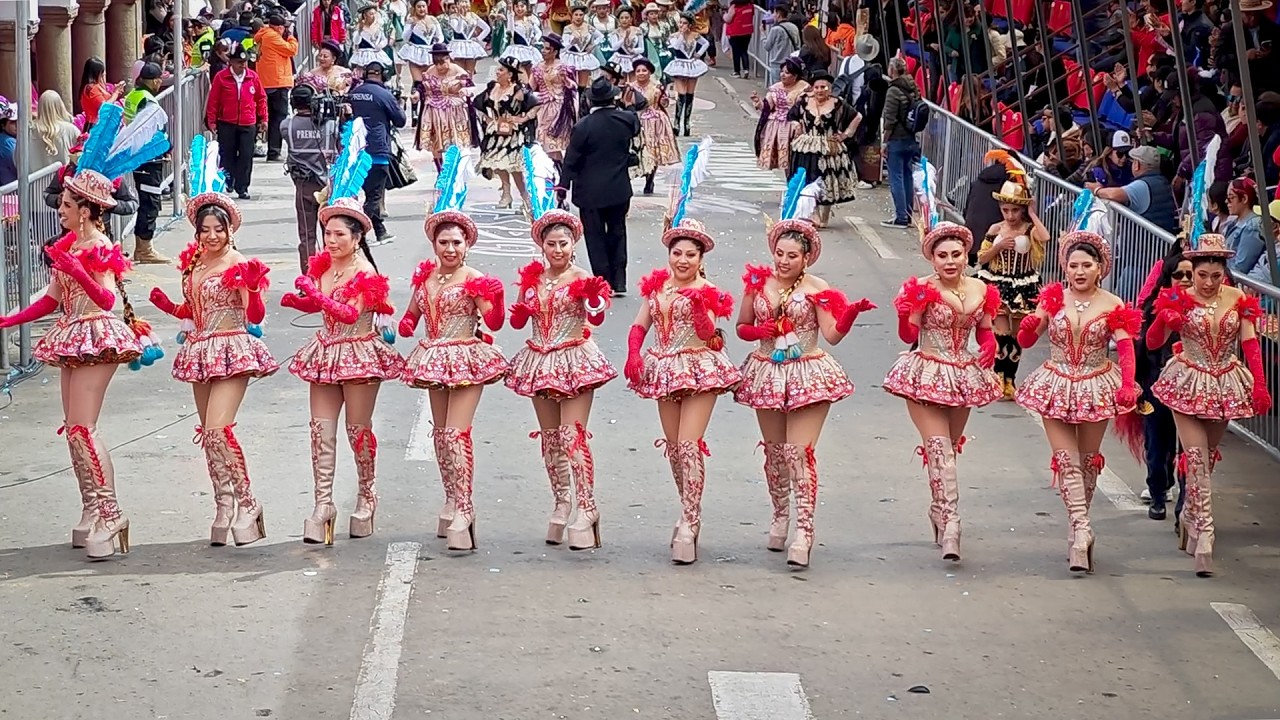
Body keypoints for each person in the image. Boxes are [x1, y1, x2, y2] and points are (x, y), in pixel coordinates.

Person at [0, 103, 167, 560]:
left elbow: (108, 299)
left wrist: (78, 265)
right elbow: (50, 300)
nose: (61, 213)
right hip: (72, 332)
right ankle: (92, 509)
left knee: (83, 429)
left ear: (89, 211)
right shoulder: (70, 246)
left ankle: (111, 515)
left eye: (68, 207)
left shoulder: (101, 246)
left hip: (99, 334)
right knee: (74, 431)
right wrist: (7, 319)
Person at [148, 144, 279, 547]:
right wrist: (166, 306)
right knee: (208, 433)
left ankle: (248, 502)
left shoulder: (237, 264)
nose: (211, 236)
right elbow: (194, 309)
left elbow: (253, 316)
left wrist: (254, 287)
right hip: (200, 348)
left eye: (218, 230)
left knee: (220, 430)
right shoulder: (194, 263)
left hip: (233, 348)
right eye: (204, 230)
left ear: (230, 230)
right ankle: (223, 506)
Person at [733, 192, 873, 567]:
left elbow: (831, 334)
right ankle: (780, 515)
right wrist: (759, 329)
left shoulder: (818, 288)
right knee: (775, 453)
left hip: (808, 371)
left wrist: (850, 314)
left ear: (806, 257)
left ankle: (804, 531)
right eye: (779, 253)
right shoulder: (757, 283)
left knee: (799, 453)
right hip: (766, 369)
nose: (783, 261)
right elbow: (742, 327)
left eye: (792, 256)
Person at [283, 152, 405, 545]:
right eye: (328, 234)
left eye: (340, 235)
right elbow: (315, 302)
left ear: (357, 239)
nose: (332, 241)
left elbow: (350, 315)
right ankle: (323, 505)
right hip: (326, 352)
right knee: (321, 432)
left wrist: (315, 299)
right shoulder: (322, 267)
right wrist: (297, 298)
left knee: (357, 430)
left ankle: (367, 494)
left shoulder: (366, 274)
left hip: (358, 352)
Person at [398, 148, 508, 551]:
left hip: (465, 355)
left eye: (457, 242)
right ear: (434, 244)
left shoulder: (474, 277)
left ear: (467, 244)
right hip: (433, 356)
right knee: (442, 435)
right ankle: (451, 498)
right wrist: (404, 324)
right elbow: (412, 315)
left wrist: (493, 299)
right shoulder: (425, 276)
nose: (450, 249)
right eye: (443, 242)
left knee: (457, 433)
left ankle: (465, 508)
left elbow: (493, 323)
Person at [1146, 232, 1272, 576]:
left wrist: (1259, 385)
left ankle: (1190, 514)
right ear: (1193, 270)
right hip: (1187, 378)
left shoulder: (1238, 299)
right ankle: (1205, 534)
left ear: (1225, 274)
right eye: (1202, 275)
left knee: (1207, 458)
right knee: (1197, 456)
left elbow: (1249, 344)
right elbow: (1153, 341)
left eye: (1216, 276)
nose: (1208, 282)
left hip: (1224, 382)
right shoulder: (1177, 297)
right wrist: (1164, 319)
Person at [1015, 231, 1140, 573]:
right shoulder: (1053, 298)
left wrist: (1128, 384)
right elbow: (1026, 339)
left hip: (1095, 385)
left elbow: (1126, 347)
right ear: (1065, 269)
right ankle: (1082, 531)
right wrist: (1026, 327)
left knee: (1087, 464)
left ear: (1100, 268)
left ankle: (1077, 530)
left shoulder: (1113, 303)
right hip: (1055, 383)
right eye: (1073, 265)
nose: (1079, 271)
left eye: (1087, 265)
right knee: (1065, 461)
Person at [506, 164, 617, 548]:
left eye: (563, 244)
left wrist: (593, 299)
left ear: (573, 245)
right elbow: (519, 321)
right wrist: (520, 313)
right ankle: (561, 500)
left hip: (574, 358)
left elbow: (600, 312)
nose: (557, 250)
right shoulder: (532, 279)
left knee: (572, 437)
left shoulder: (582, 277)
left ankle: (587, 507)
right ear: (542, 246)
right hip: (539, 359)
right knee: (551, 438)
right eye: (551, 244)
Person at [624, 205, 741, 564]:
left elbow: (710, 337)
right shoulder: (657, 286)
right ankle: (688, 506)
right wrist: (634, 353)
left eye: (690, 254)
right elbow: (640, 324)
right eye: (677, 253)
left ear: (701, 257)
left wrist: (698, 310)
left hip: (699, 369)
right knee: (675, 448)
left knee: (689, 445)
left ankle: (690, 520)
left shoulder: (708, 290)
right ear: (669, 254)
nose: (683, 260)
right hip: (664, 369)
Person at [883, 221, 1002, 562]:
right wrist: (910, 309)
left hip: (962, 375)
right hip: (926, 370)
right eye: (942, 256)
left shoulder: (981, 289)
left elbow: (984, 329)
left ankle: (938, 509)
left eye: (956, 254)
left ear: (966, 255)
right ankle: (952, 524)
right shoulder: (921, 287)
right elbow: (908, 335)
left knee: (948, 449)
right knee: (939, 450)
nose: (950, 261)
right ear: (932, 260)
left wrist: (989, 344)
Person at [561, 77, 641, 297]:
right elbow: (637, 117)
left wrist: (562, 185)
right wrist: (629, 104)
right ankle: (620, 280)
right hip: (618, 188)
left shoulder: (583, 126)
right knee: (617, 231)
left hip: (589, 191)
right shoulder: (627, 119)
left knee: (595, 236)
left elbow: (571, 159)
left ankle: (603, 280)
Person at [975, 163, 1047, 399]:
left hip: (1024, 285)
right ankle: (998, 377)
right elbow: (981, 258)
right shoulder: (996, 228)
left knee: (1016, 338)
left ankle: (1010, 380)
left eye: (1015, 210)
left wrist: (1033, 214)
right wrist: (998, 247)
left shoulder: (1029, 229)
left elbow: (1045, 238)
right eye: (1006, 210)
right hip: (998, 282)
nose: (1010, 215)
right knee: (1001, 334)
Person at [786, 71, 859, 228]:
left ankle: (824, 218)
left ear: (830, 89)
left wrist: (845, 135)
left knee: (827, 182)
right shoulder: (804, 102)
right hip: (807, 146)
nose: (820, 90)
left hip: (828, 147)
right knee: (808, 181)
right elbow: (791, 117)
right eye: (817, 87)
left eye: (824, 87)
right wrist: (797, 125)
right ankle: (813, 215)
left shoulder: (838, 103)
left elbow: (857, 117)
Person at [349, 58, 408, 245]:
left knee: (367, 194)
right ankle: (359, 234)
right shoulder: (384, 94)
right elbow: (400, 120)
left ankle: (380, 231)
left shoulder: (354, 93)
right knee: (374, 196)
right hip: (377, 151)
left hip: (356, 152)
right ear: (383, 75)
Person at [282, 84, 340, 274]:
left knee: (306, 236)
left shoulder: (286, 126)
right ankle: (331, 276)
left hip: (303, 185)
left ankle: (308, 280)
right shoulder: (330, 125)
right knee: (330, 235)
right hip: (327, 187)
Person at [124, 62, 173, 264]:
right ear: (152, 80)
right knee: (150, 202)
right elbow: (151, 131)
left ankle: (144, 247)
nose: (160, 82)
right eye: (158, 79)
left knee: (147, 201)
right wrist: (167, 146)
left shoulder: (134, 95)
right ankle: (144, 249)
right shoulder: (146, 101)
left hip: (140, 157)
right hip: (148, 159)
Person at [205, 43, 267, 200]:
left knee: (246, 156)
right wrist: (211, 121)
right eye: (239, 62)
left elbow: (261, 98)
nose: (242, 65)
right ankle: (229, 180)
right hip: (227, 122)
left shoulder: (252, 76)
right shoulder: (221, 77)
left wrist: (263, 118)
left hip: (248, 122)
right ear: (231, 62)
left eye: (244, 62)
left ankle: (243, 186)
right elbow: (214, 101)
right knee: (228, 154)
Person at [475, 57, 538, 208]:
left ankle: (525, 197)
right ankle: (506, 193)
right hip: (496, 132)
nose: (497, 72)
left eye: (501, 70)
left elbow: (535, 105)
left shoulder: (519, 91)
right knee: (497, 163)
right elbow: (477, 104)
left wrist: (522, 119)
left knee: (514, 167)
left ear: (510, 74)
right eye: (498, 69)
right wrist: (487, 119)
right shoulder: (492, 88)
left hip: (513, 134)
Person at [416, 44, 474, 169]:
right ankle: (441, 174)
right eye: (436, 63)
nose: (439, 66)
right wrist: (416, 94)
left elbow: (470, 86)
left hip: (453, 111)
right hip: (433, 111)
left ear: (448, 58)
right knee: (435, 144)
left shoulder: (458, 70)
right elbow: (421, 88)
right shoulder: (429, 71)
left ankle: (455, 171)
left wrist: (465, 91)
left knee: (455, 142)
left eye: (442, 62)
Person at [881, 56, 921, 229]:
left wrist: (884, 142)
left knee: (895, 177)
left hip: (896, 139)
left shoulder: (893, 91)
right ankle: (909, 214)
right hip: (911, 138)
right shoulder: (914, 87)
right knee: (907, 176)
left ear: (892, 70)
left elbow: (889, 119)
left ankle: (901, 217)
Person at [627, 58, 677, 195]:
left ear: (649, 72)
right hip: (635, 121)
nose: (641, 73)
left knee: (652, 151)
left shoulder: (656, 87)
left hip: (654, 123)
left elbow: (664, 104)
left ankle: (650, 180)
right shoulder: (630, 87)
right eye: (638, 71)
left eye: (644, 70)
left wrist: (664, 97)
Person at [750, 58, 808, 177]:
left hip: (795, 126)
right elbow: (767, 106)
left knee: (795, 159)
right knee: (785, 160)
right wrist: (758, 103)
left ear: (795, 75)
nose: (783, 74)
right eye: (782, 71)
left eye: (787, 72)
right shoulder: (775, 88)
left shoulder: (804, 89)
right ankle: (789, 183)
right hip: (776, 127)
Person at [254, 14, 300, 162]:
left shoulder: (263, 35)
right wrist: (291, 36)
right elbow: (291, 50)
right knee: (277, 118)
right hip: (276, 82)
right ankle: (274, 151)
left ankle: (269, 149)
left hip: (267, 82)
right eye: (283, 27)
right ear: (277, 27)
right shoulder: (272, 37)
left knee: (268, 117)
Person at [530, 34, 578, 163]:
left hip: (559, 107)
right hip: (542, 107)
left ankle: (558, 172)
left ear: (555, 51)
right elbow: (531, 87)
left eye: (547, 49)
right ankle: (552, 171)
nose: (543, 51)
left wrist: (565, 79)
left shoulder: (562, 67)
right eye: (543, 48)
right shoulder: (537, 67)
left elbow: (573, 86)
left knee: (554, 143)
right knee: (544, 142)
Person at [665, 12, 710, 136]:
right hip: (679, 64)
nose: (682, 25)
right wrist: (681, 34)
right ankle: (677, 122)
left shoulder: (695, 35)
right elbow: (676, 47)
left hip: (692, 65)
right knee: (682, 94)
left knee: (690, 94)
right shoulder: (674, 36)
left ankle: (687, 122)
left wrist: (699, 54)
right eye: (680, 22)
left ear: (690, 25)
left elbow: (706, 43)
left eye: (685, 23)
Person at [399, 0, 445, 85]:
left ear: (427, 7)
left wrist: (436, 44)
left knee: (430, 82)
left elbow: (440, 36)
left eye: (423, 6)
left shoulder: (433, 19)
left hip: (430, 53)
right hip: (415, 53)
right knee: (418, 83)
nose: (421, 9)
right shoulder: (411, 20)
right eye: (419, 7)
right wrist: (412, 26)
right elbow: (405, 37)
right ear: (415, 8)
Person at [31, 90, 81, 167]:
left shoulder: (29, 130)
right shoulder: (71, 130)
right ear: (60, 106)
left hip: (34, 178)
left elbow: (17, 160)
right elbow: (80, 159)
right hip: (63, 178)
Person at [443, 0, 492, 75]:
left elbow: (487, 28)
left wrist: (478, 38)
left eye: (466, 1)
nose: (464, 4)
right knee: (459, 74)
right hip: (457, 46)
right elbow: (458, 30)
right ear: (457, 4)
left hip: (470, 46)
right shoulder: (453, 17)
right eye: (461, 2)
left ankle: (470, 85)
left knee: (470, 73)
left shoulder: (472, 15)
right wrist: (460, 17)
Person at [78, 57, 118, 131]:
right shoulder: (92, 88)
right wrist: (116, 93)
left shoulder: (95, 86)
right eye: (101, 73)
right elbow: (104, 106)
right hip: (95, 125)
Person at [500, 0, 543, 65]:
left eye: (522, 6)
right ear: (513, 8)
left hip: (530, 50)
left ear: (526, 7)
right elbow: (510, 31)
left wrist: (535, 39)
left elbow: (539, 32)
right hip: (516, 50)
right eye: (517, 6)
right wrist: (510, 15)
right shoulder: (513, 21)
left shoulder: (530, 20)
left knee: (531, 69)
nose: (519, 9)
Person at [350, 4, 392, 70]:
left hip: (376, 54)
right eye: (371, 14)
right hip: (363, 55)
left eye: (375, 14)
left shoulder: (378, 27)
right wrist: (359, 31)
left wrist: (381, 45)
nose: (374, 16)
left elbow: (384, 40)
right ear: (365, 15)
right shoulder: (360, 28)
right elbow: (356, 41)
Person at [723, 0, 754, 79]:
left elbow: (728, 19)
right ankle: (746, 69)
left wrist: (724, 15)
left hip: (735, 31)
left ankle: (737, 71)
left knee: (736, 53)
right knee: (744, 51)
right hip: (747, 31)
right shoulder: (750, 5)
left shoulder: (734, 6)